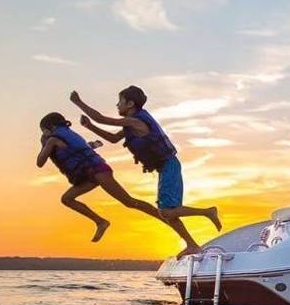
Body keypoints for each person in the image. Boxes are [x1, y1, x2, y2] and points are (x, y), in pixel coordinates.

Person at [70, 86, 220, 255]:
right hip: (165, 168)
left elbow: (102, 118)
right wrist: (90, 127)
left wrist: (78, 102)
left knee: (167, 211)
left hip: (169, 165)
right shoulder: (132, 125)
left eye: (120, 102)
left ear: (130, 104)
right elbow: (113, 139)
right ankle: (192, 245)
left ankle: (207, 212)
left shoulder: (135, 121)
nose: (117, 105)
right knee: (167, 213)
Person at [35, 112, 184, 244]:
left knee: (129, 202)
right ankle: (101, 222)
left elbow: (40, 162)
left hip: (99, 171)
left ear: (51, 128)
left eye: (43, 131)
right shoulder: (67, 136)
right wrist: (93, 144)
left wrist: (45, 143)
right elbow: (79, 150)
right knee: (67, 199)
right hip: (88, 174)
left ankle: (168, 221)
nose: (43, 134)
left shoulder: (52, 140)